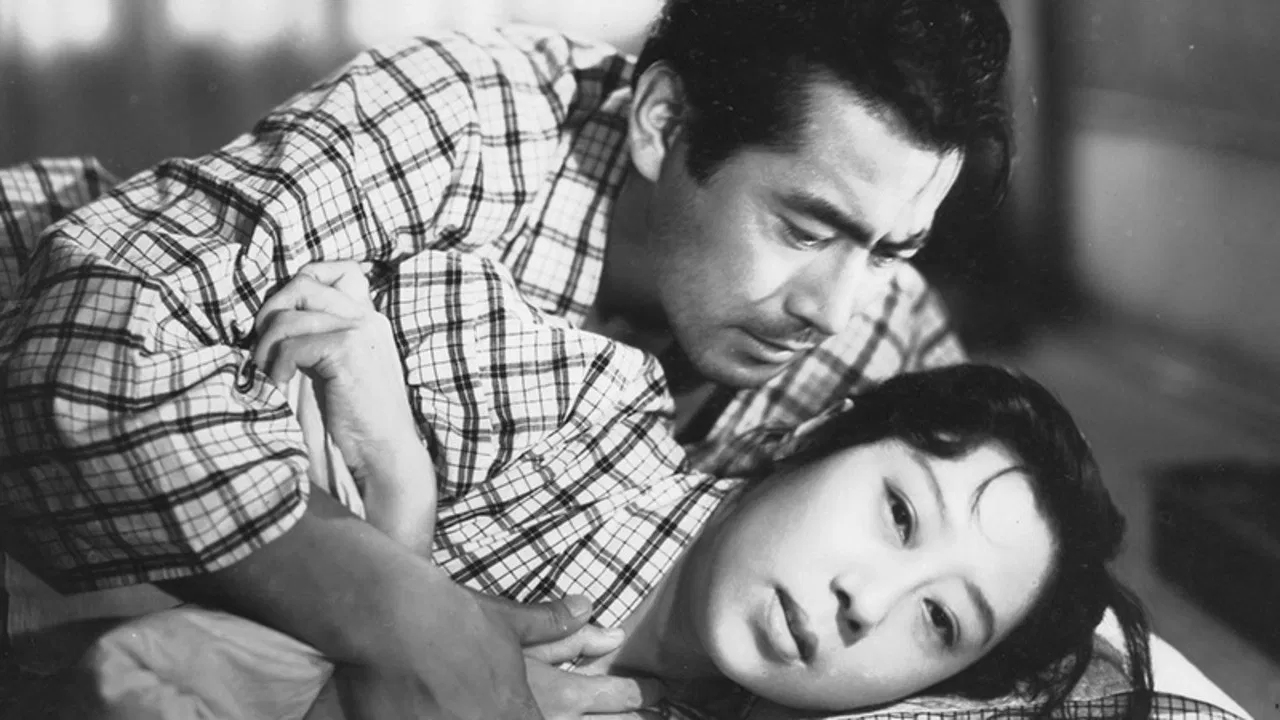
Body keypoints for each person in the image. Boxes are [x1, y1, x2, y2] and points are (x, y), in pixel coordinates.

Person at [0, 0, 1015, 716]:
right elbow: (82, 356)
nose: (833, 310)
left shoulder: (881, 337)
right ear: (664, 123)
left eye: (890, 249)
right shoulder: (470, 115)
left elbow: (1017, 600)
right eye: (803, 228)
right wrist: (409, 617)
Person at [56, 258, 1152, 719]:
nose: (866, 601)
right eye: (899, 512)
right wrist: (396, 506)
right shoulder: (570, 402)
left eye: (940, 622)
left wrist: (401, 536)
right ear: (820, 437)